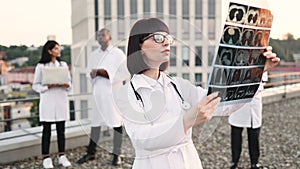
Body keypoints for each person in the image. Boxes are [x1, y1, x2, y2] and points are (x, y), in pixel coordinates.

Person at [114, 18, 280, 169]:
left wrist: (257, 72)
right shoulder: (127, 93)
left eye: (168, 38)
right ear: (139, 46)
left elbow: (222, 104)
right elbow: (142, 138)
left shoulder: (178, 85)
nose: (166, 43)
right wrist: (186, 121)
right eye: (158, 38)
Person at [77, 28, 129, 166]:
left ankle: (117, 154)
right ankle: (91, 153)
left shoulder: (117, 54)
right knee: (95, 123)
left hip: (113, 94)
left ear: (110, 36)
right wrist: (94, 74)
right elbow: (88, 71)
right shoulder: (94, 55)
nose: (100, 36)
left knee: (116, 123)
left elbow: (126, 73)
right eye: (98, 35)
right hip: (98, 94)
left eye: (103, 34)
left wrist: (107, 74)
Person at [32, 40, 72, 168]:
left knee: (61, 131)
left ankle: (62, 156)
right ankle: (46, 158)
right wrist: (47, 86)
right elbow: (35, 86)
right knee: (47, 131)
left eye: (58, 48)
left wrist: (66, 85)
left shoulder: (63, 65)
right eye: (55, 48)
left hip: (61, 100)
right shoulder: (41, 66)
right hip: (48, 102)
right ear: (49, 51)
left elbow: (70, 84)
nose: (58, 50)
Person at [229, 72, 268, 169]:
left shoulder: (262, 58)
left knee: (254, 133)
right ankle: (235, 163)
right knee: (236, 133)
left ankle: (254, 163)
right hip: (238, 96)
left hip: (254, 99)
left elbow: (264, 78)